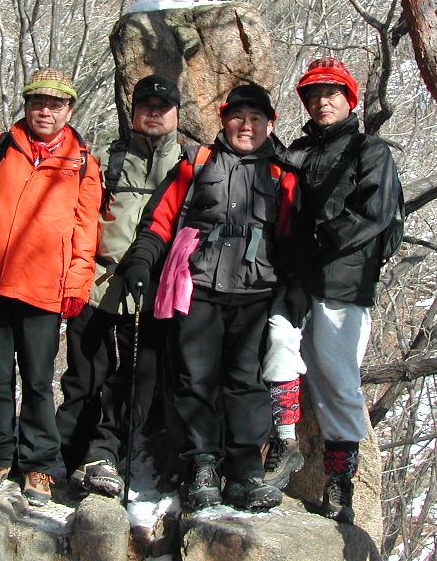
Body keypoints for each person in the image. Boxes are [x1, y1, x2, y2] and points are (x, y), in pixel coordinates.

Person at [118, 84, 301, 512]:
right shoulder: (195, 163)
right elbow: (161, 220)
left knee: (247, 383)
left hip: (256, 290)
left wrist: (296, 285)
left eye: (256, 119)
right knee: (195, 379)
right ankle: (202, 465)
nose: (246, 126)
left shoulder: (282, 175)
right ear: (224, 120)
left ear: (270, 124)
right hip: (197, 285)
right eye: (238, 117)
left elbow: (292, 238)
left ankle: (245, 473)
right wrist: (142, 260)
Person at [0, 68, 102, 507]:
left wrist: (77, 284)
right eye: (38, 103)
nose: (46, 112)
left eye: (55, 104)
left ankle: (38, 464)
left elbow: (85, 231)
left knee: (37, 380)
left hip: (45, 287)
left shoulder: (83, 163)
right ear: (27, 105)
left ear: (68, 110)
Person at [262, 57, 402, 524]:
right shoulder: (299, 151)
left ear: (350, 100)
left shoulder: (370, 150)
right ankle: (284, 444)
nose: (322, 102)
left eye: (332, 93)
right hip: (296, 276)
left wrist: (319, 241)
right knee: (278, 345)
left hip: (344, 279)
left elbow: (374, 213)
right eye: (314, 94)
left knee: (338, 382)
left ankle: (341, 480)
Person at [55, 74, 183, 497]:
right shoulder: (108, 160)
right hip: (97, 284)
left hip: (152, 292)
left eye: (162, 108)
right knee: (84, 377)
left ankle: (105, 454)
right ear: (133, 112)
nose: (154, 113)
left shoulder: (190, 164)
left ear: (176, 114)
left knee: (136, 383)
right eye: (146, 106)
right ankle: (71, 460)